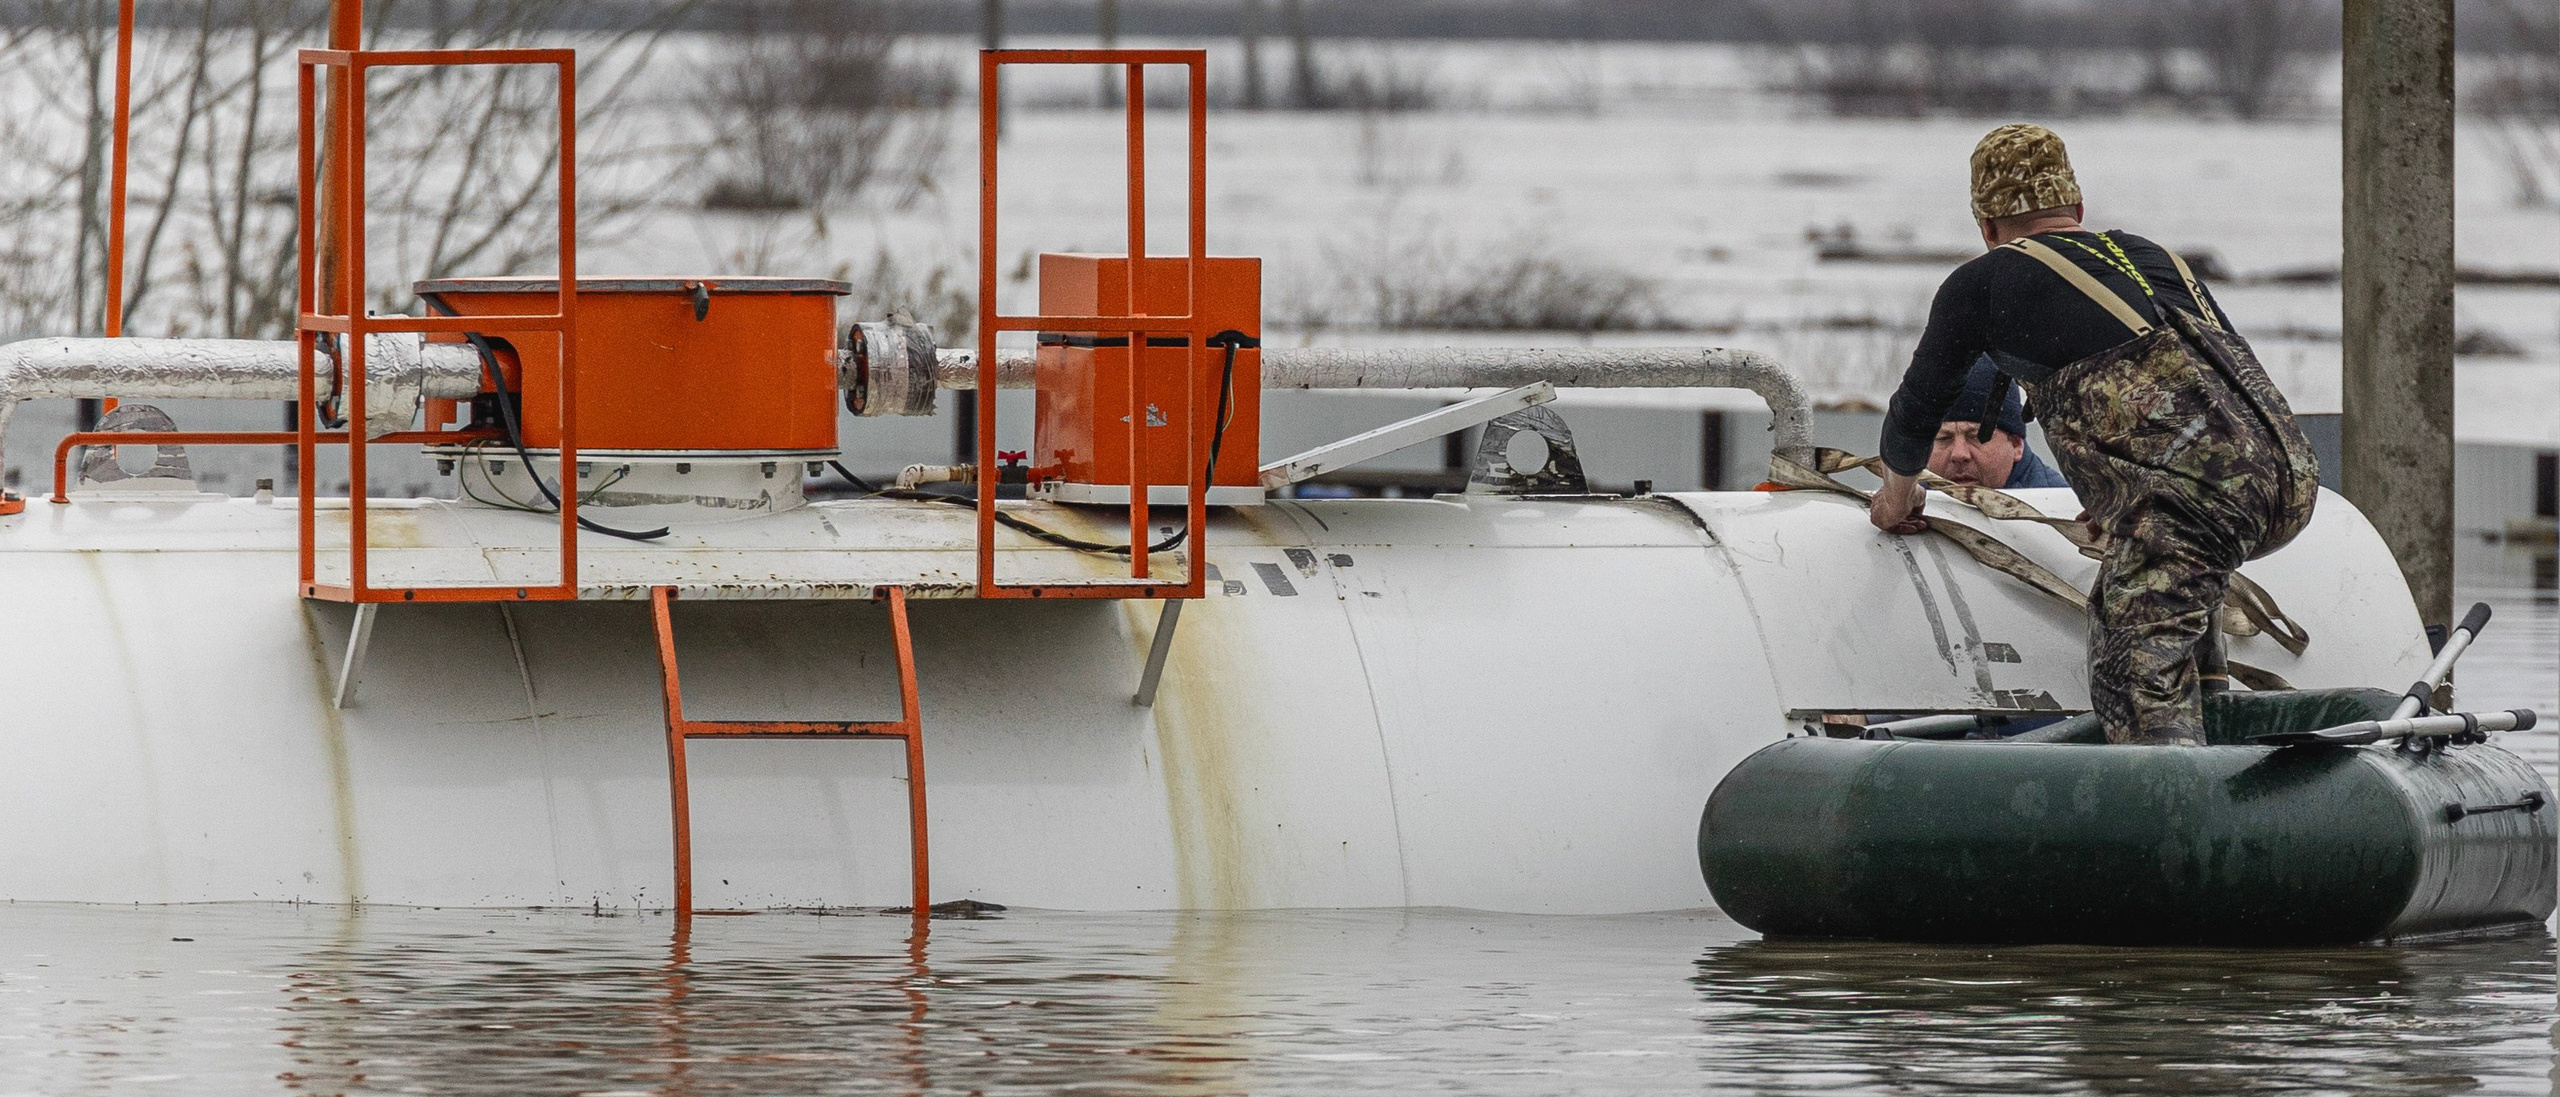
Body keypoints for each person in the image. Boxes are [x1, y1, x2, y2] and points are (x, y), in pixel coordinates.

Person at [1866, 123, 2321, 746]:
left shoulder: (1982, 284)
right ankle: (2219, 723)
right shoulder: (2151, 256)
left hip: (2192, 504)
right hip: (2291, 478)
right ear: (2077, 209)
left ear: (1987, 229)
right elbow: (2201, 386)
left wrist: (1896, 498)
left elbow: (1913, 417)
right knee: (2160, 591)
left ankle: (2178, 814)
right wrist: (2119, 487)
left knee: (2127, 677)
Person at [1931, 355, 2070, 489]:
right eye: (1943, 438)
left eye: (1977, 437)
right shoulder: (1911, 502)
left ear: (2016, 445)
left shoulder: (2062, 507)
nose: (1959, 454)